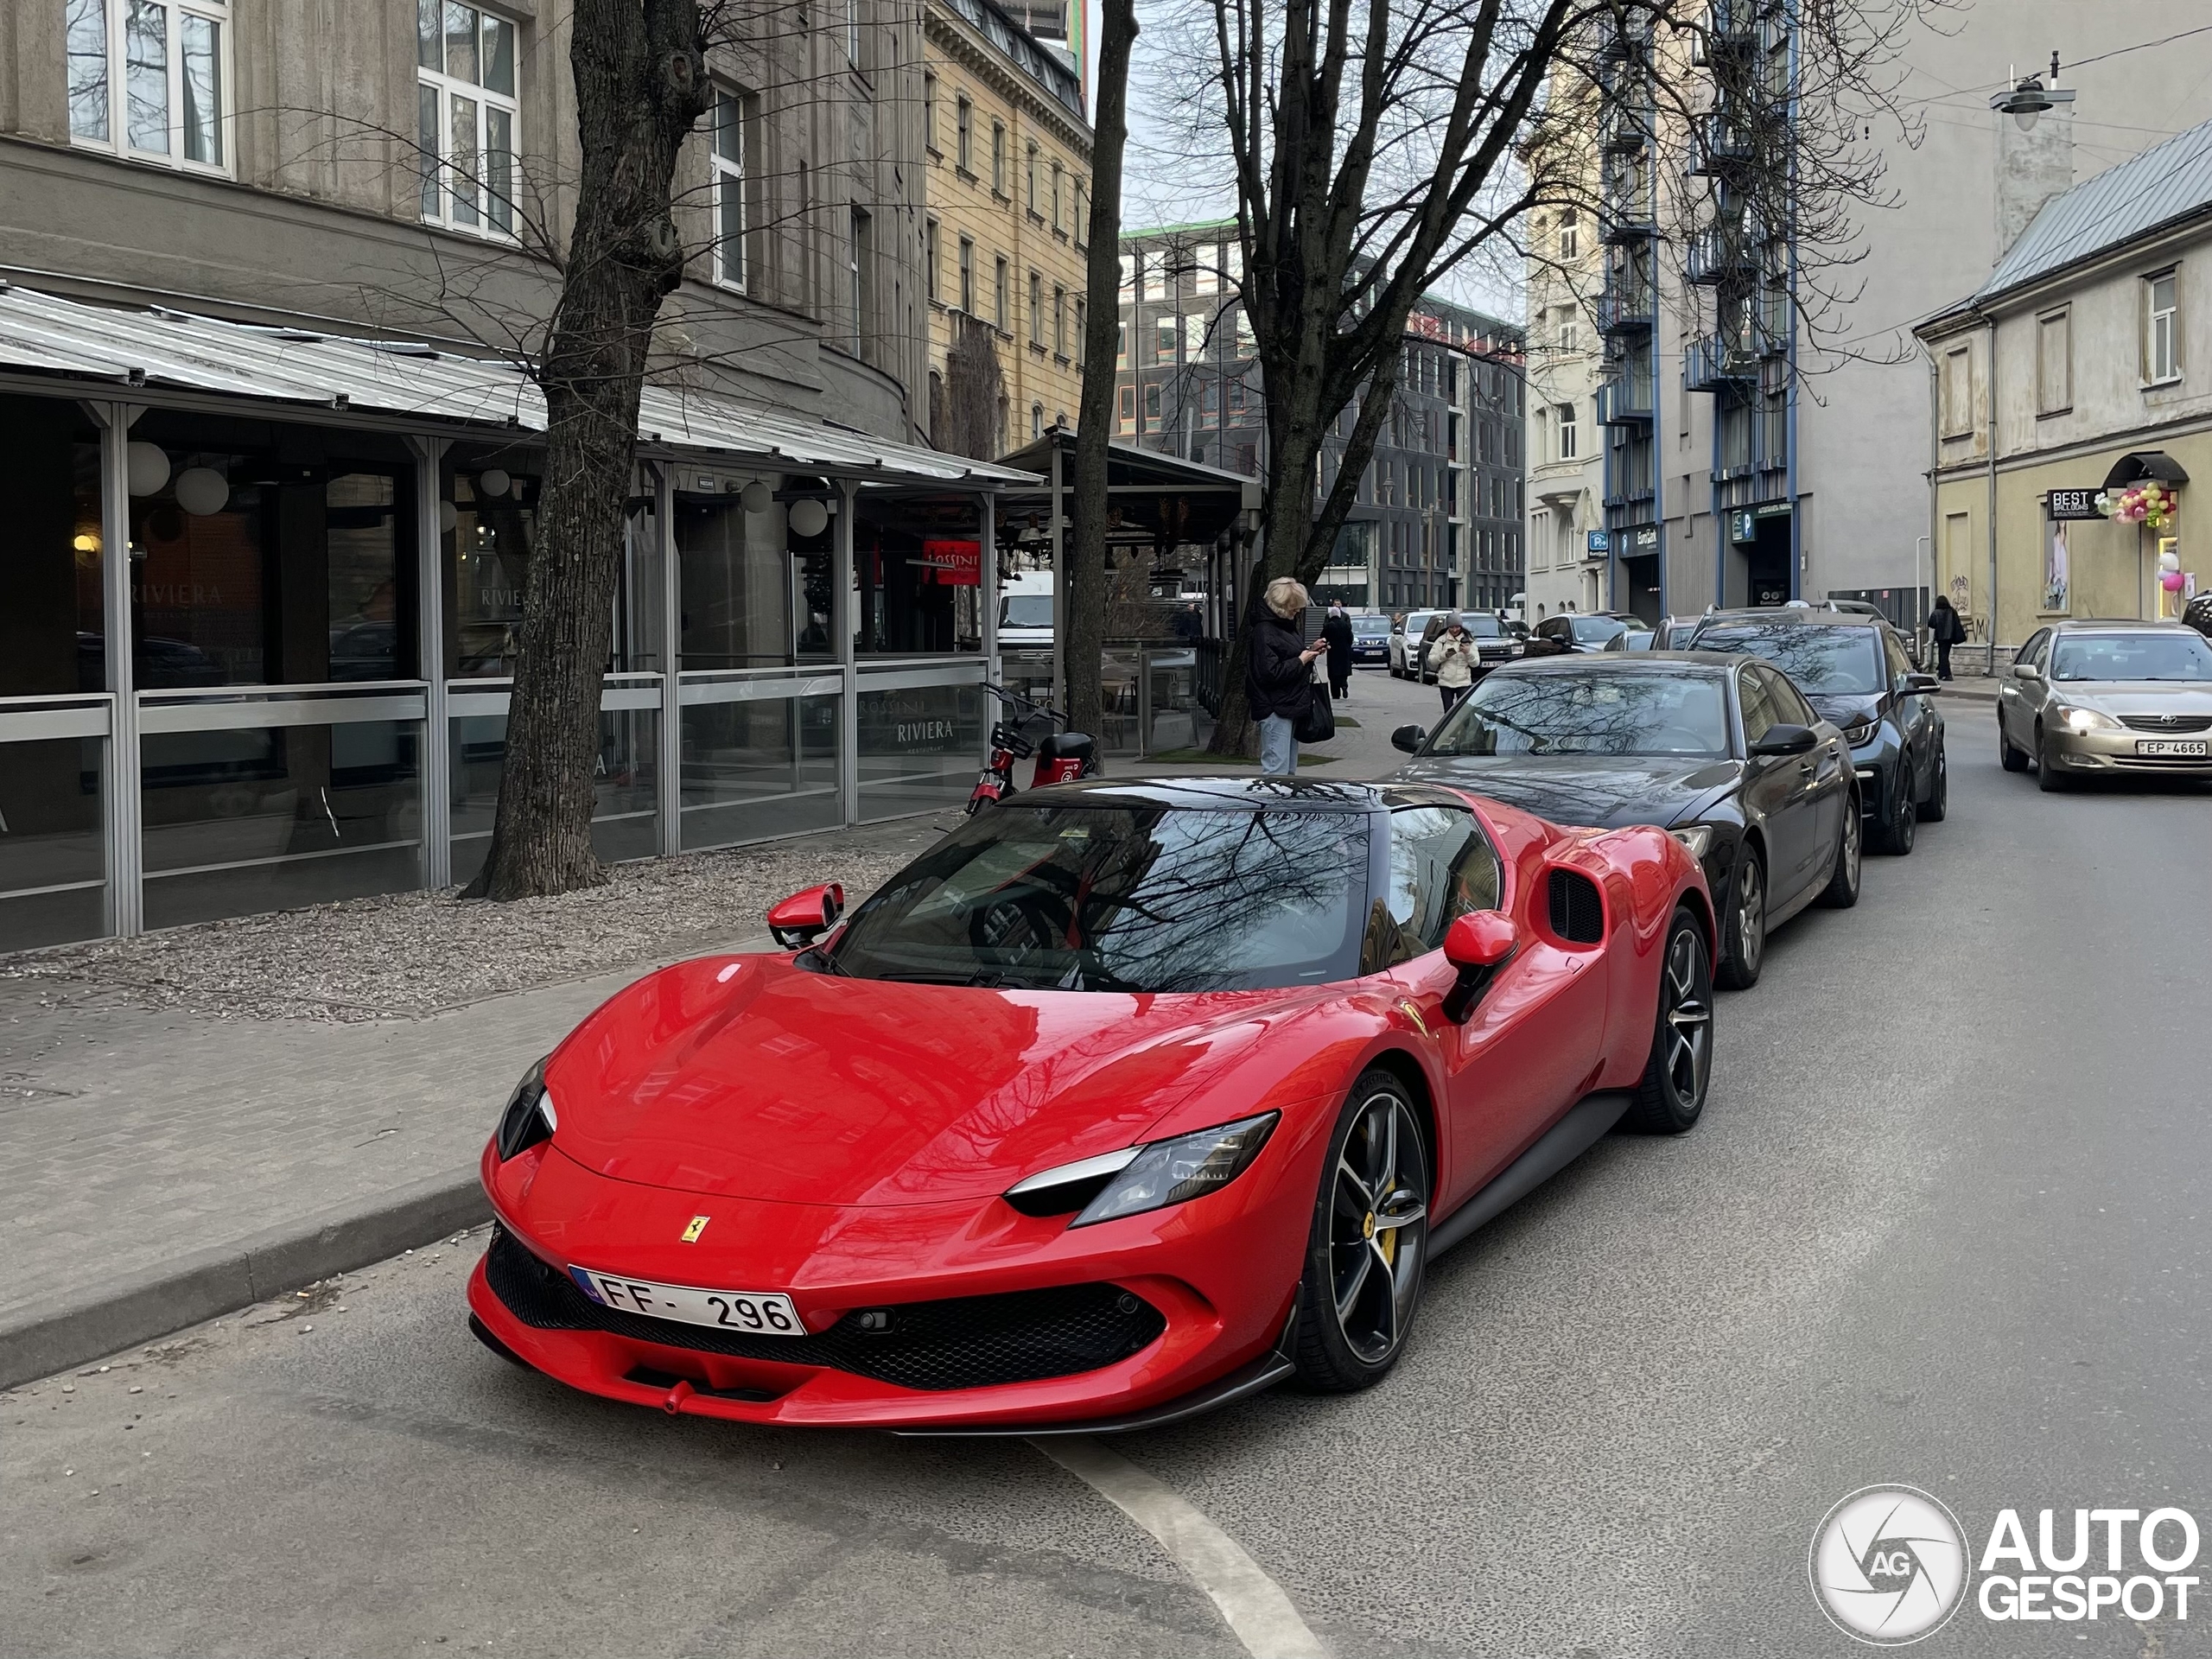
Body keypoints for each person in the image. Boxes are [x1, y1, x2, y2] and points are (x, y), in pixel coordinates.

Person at [1246, 576, 1324, 776]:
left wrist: (1309, 652)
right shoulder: (1265, 630)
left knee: (1287, 770)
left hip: (1288, 704)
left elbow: (1284, 659)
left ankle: (1283, 805)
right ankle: (1273, 806)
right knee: (1277, 769)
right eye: (1293, 607)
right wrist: (1301, 660)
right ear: (1282, 606)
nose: (1297, 611)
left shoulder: (1282, 627)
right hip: (1275, 706)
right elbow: (1269, 673)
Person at [1427, 613, 1478, 712]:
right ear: (1448, 627)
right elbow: (1432, 660)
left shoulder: (1469, 641)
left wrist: (1468, 652)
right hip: (1446, 682)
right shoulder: (1441, 640)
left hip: (1463, 682)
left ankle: (1462, 728)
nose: (1455, 630)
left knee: (1462, 712)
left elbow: (1475, 663)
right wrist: (1445, 654)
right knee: (1448, 712)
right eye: (1452, 627)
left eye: (1457, 627)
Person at [1928, 594, 1966, 680]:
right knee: (1945, 655)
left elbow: (1931, 624)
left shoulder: (1936, 613)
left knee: (1942, 655)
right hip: (1950, 637)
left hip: (1940, 637)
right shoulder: (1952, 611)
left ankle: (1946, 674)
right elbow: (1956, 623)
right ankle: (1941, 672)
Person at [1321, 601, 1354, 700]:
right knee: (1343, 671)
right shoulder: (1345, 625)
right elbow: (1350, 637)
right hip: (1344, 651)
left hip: (1333, 652)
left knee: (1333, 673)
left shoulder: (1329, 626)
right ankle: (1344, 684)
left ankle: (1336, 694)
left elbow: (1323, 637)